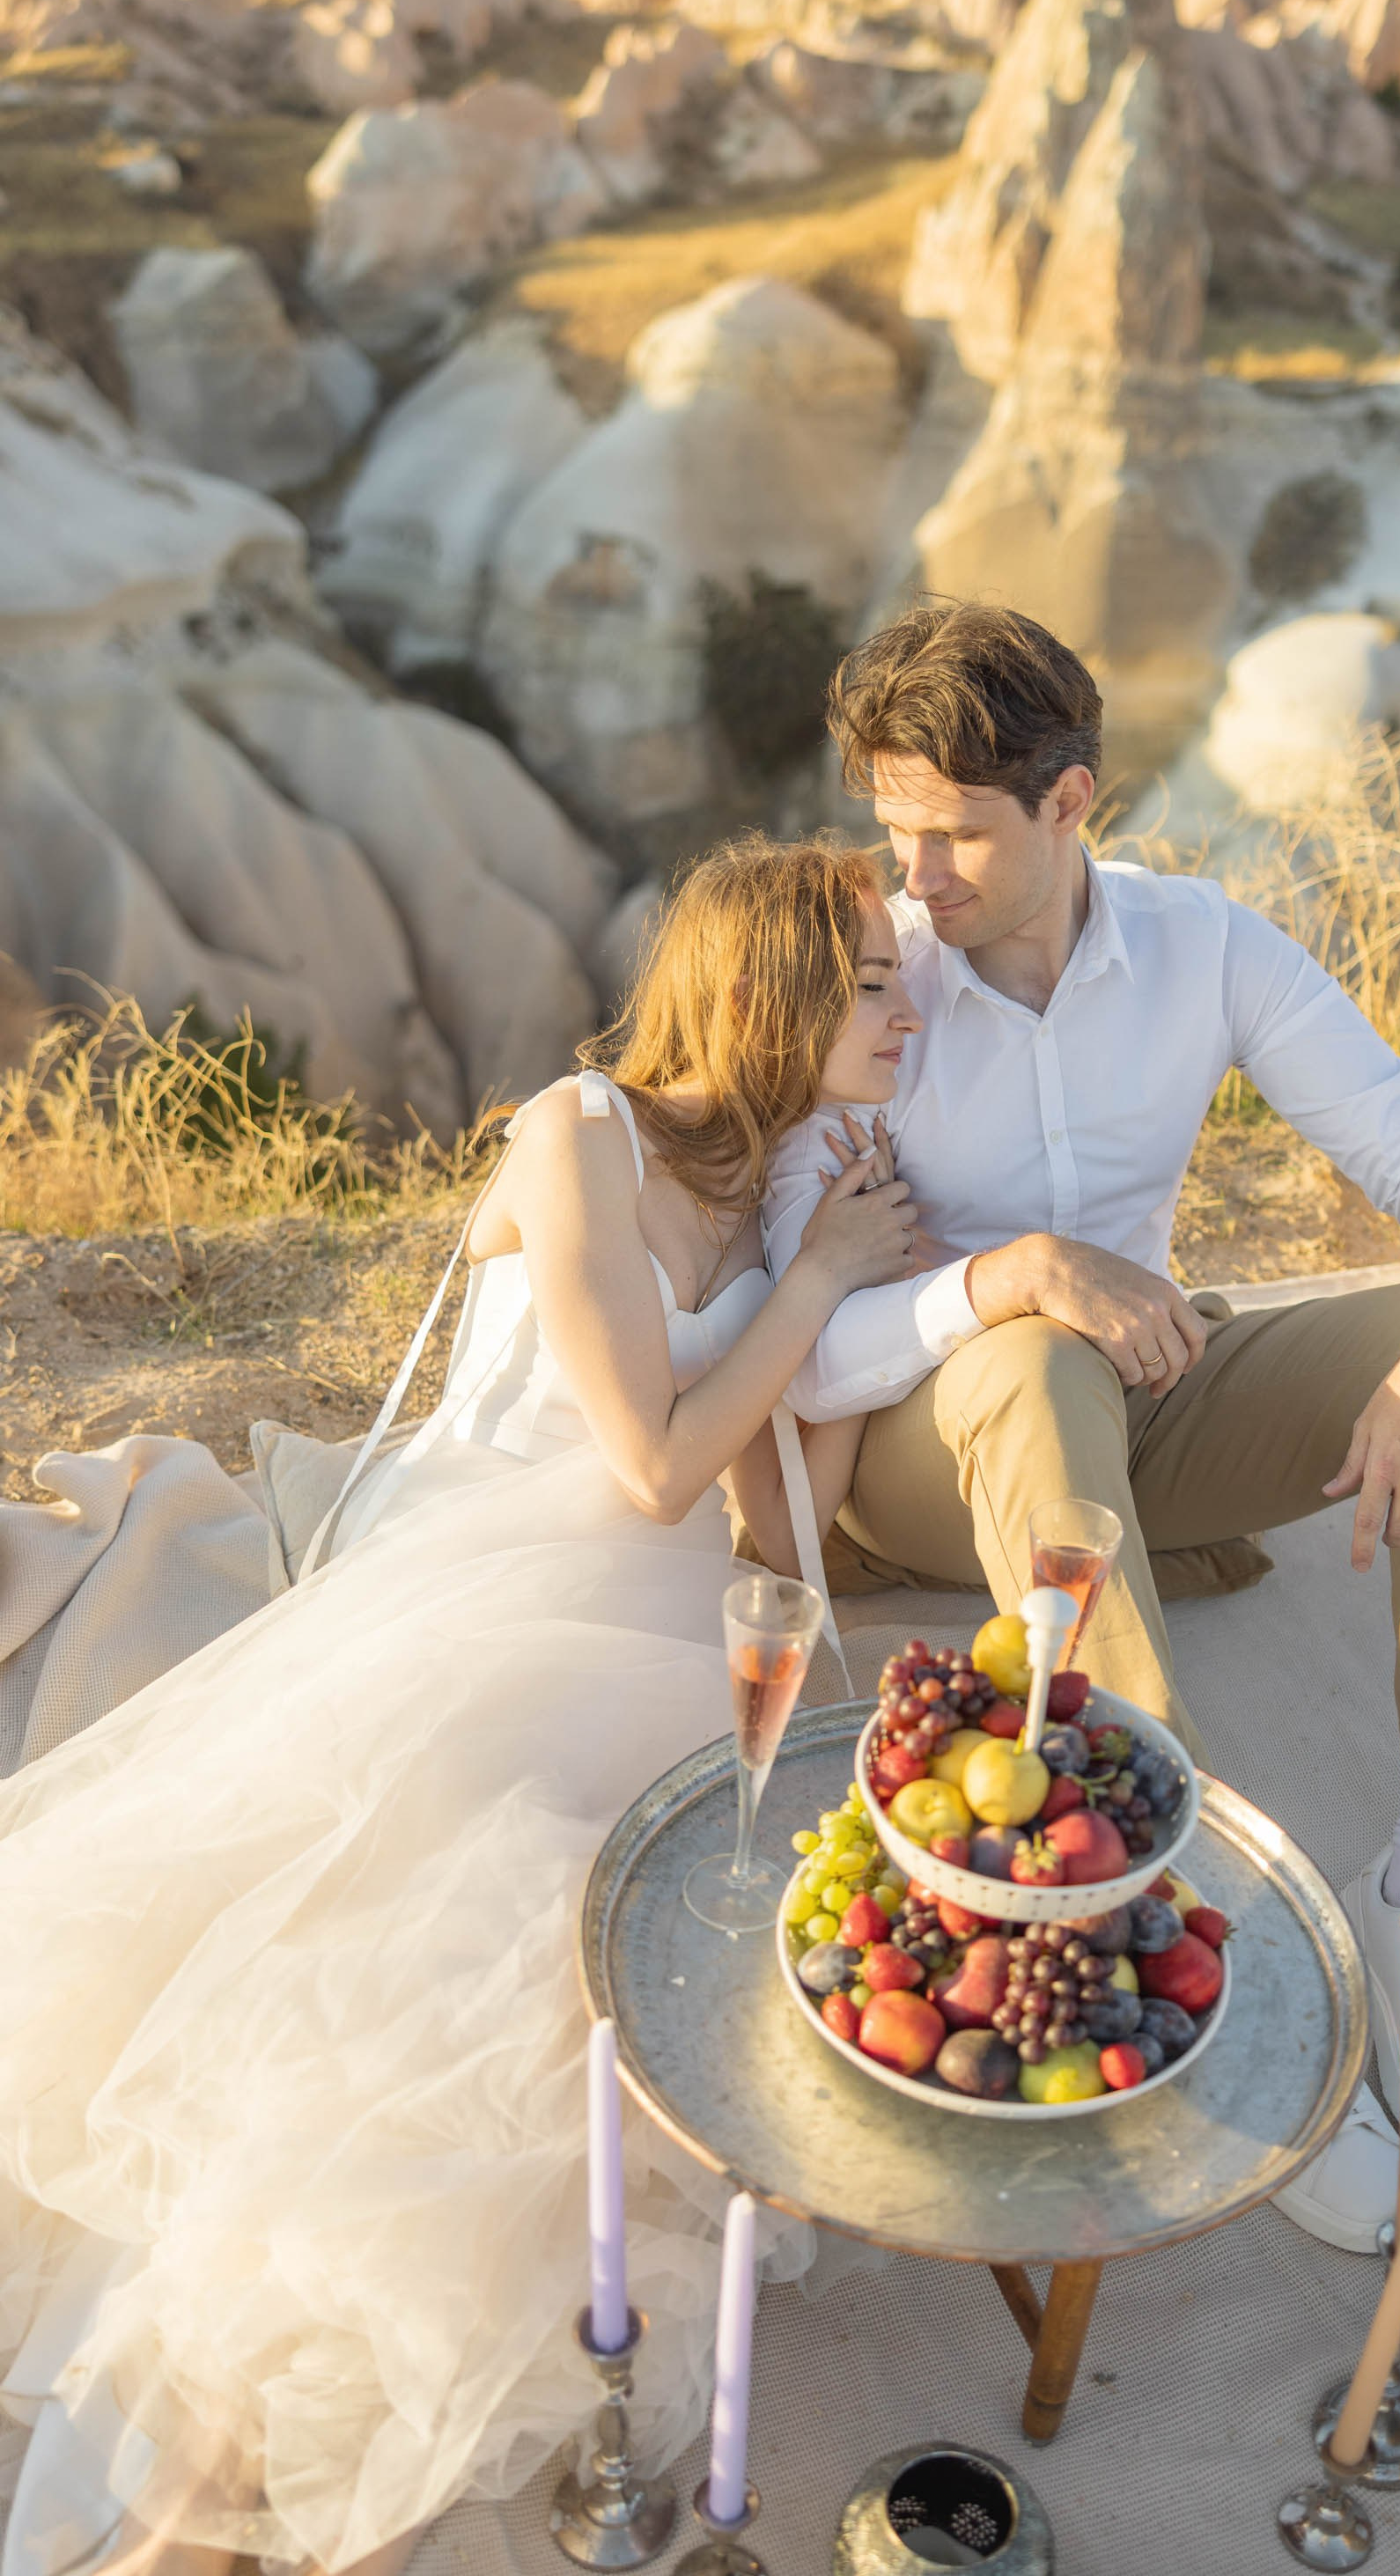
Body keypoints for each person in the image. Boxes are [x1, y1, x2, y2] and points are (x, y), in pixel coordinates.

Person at [0, 836, 920, 2576]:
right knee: (388, 1982)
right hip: (481, 1592)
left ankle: (234, 2455)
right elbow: (652, 1464)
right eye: (873, 981)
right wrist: (811, 1292)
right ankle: (189, 2493)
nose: (906, 1014)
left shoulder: (799, 1180)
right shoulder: (576, 1132)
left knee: (531, 2006)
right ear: (768, 982)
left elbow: (784, 1504)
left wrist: (850, 1285)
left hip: (656, 1650)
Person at [763, 600, 1400, 2256]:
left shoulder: (1204, 944)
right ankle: (1183, 1923)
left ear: (1071, 804)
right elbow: (807, 1353)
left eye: (958, 833)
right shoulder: (866, 979)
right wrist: (1021, 1274)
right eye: (894, 830)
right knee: (1041, 1351)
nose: (919, 877)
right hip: (923, 1454)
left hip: (1145, 1405)